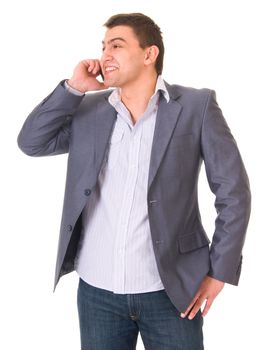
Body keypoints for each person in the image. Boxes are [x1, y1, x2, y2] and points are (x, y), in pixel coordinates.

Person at [17, 12, 251, 350]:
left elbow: (234, 193)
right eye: (103, 46)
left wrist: (220, 271)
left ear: (149, 54)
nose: (104, 55)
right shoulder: (88, 111)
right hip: (98, 293)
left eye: (116, 45)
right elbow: (31, 142)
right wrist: (73, 89)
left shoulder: (196, 106)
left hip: (172, 292)